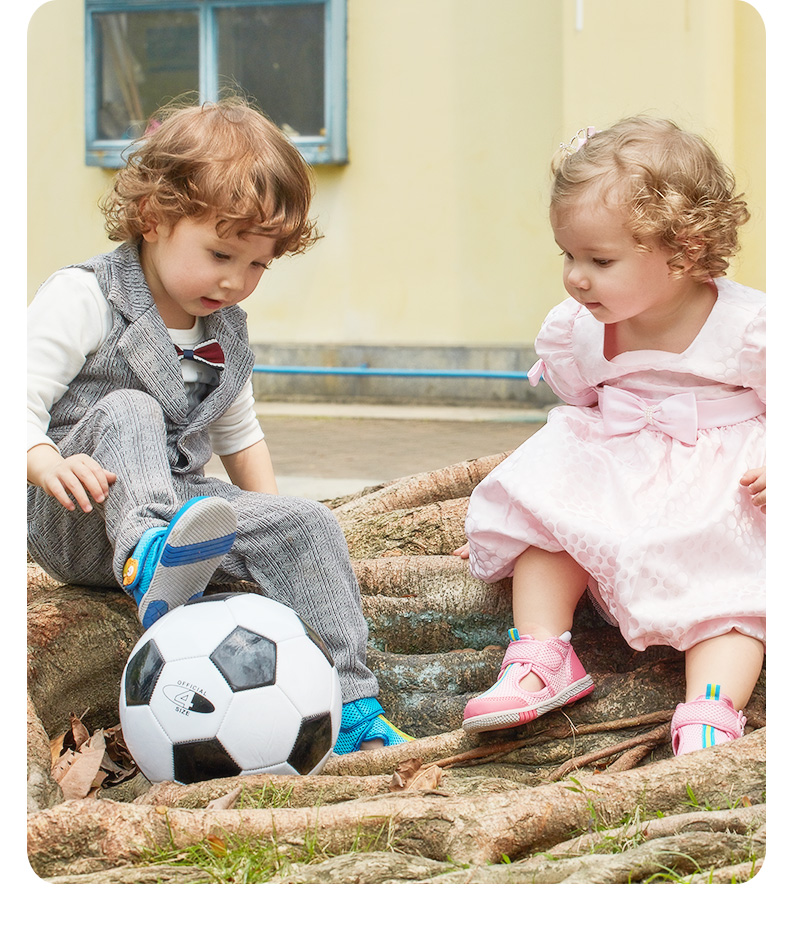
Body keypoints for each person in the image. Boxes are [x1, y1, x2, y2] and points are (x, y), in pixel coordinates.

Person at [26, 98, 411, 755]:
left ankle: (350, 705)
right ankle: (148, 553)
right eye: (221, 253)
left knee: (306, 523)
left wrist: (272, 519)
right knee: (131, 407)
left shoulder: (226, 329)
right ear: (153, 218)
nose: (236, 281)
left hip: (187, 514)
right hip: (81, 511)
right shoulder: (87, 295)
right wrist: (43, 459)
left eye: (258, 265)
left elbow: (238, 432)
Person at [457, 116, 765, 756]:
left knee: (730, 595)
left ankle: (712, 709)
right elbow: (584, 410)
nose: (576, 277)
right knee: (550, 526)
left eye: (600, 260)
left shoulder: (751, 327)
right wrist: (518, 522)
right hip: (618, 462)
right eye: (568, 255)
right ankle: (541, 655)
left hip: (719, 476)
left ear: (683, 252)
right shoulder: (578, 330)